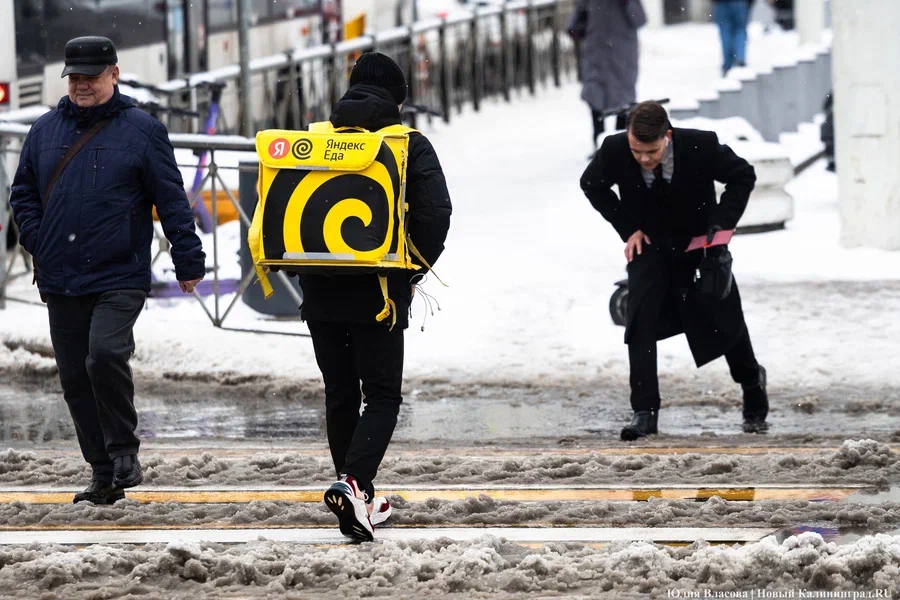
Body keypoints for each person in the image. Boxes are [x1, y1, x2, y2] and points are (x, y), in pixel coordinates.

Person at [9, 37, 205, 504]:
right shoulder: (44, 130)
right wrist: (39, 239)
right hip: (60, 275)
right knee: (76, 379)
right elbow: (23, 194)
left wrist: (188, 257)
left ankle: (124, 453)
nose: (81, 86)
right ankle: (103, 474)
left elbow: (171, 199)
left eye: (91, 77)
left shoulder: (143, 131)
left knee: (104, 355)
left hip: (119, 272)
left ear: (113, 74)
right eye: (74, 77)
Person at [299, 52, 452, 541]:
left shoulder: (317, 139)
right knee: (382, 396)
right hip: (378, 292)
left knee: (341, 394)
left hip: (319, 289)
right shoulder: (407, 144)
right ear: (398, 101)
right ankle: (353, 482)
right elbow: (435, 216)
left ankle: (359, 499)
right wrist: (411, 270)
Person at [580, 101, 768, 441]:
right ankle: (644, 411)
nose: (644, 159)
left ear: (667, 136)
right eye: (637, 151)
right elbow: (592, 185)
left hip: (699, 245)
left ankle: (752, 381)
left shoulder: (700, 145)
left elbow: (743, 176)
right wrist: (628, 228)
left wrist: (720, 225)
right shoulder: (614, 148)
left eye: (651, 152)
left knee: (724, 318)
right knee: (640, 321)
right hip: (650, 246)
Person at [567, 0, 647, 151]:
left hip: (622, 56)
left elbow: (640, 19)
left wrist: (627, 3)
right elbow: (576, 23)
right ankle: (600, 146)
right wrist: (577, 26)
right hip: (596, 55)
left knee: (624, 102)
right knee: (594, 97)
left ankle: (622, 146)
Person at [712, 0, 753, 76]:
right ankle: (739, 59)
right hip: (740, 3)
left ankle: (728, 64)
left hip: (721, 3)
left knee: (725, 33)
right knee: (740, 31)